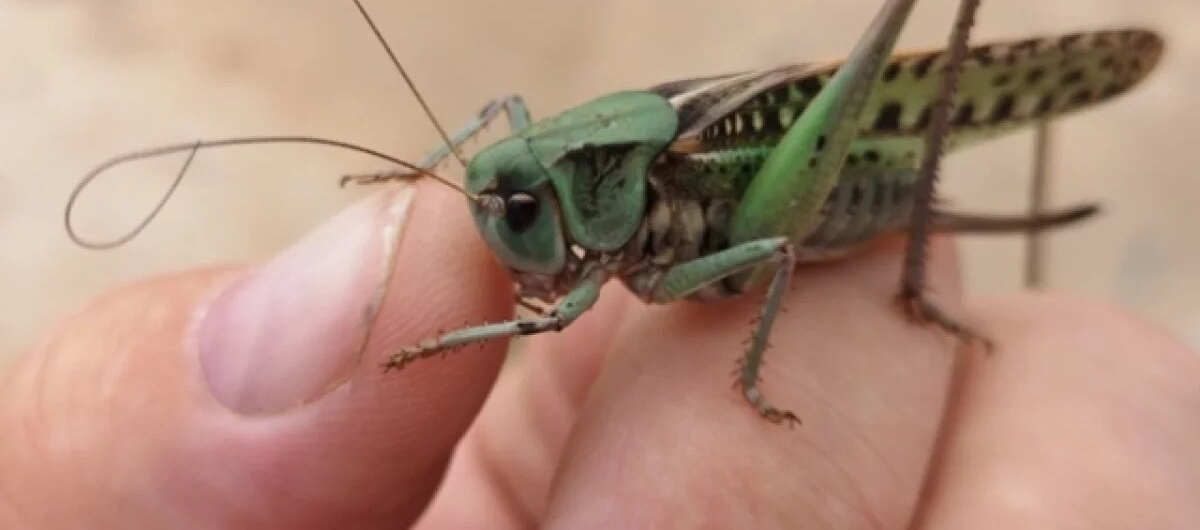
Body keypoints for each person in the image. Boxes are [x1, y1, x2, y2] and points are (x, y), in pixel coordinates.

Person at [2, 182, 1197, 528]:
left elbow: (769, 250)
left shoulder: (631, 226)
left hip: (821, 191)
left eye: (523, 212)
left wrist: (749, 377)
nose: (506, 239)